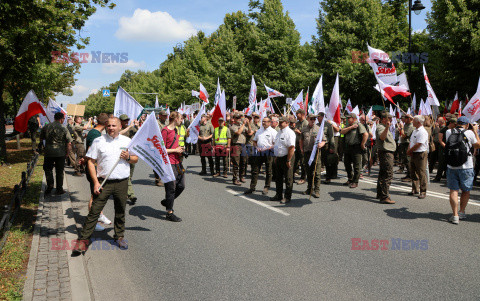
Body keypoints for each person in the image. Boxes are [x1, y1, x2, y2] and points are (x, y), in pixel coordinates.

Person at [73, 117, 138, 254]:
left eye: (114, 125)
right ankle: (83, 241)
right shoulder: (98, 141)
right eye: (109, 125)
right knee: (94, 211)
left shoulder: (127, 142)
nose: (111, 128)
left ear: (120, 127)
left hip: (122, 182)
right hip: (104, 182)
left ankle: (119, 236)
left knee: (120, 210)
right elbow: (90, 162)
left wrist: (128, 157)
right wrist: (96, 182)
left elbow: (135, 159)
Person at [445, 116, 480, 224]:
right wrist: (475, 132)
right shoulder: (469, 133)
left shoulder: (448, 131)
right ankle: (462, 211)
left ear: (457, 123)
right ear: (467, 124)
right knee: (466, 190)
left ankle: (455, 215)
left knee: (453, 190)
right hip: (466, 166)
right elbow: (477, 145)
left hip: (452, 166)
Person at [83, 113, 111, 230]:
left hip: (93, 167)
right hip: (93, 168)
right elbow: (91, 151)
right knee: (95, 196)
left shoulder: (94, 132)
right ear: (105, 124)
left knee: (96, 195)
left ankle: (99, 216)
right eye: (109, 124)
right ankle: (93, 222)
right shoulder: (95, 134)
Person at [160, 112, 185, 222]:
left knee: (181, 185)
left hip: (177, 162)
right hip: (168, 163)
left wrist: (180, 150)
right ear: (175, 119)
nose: (182, 120)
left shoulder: (176, 130)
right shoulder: (165, 131)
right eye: (180, 118)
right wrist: (175, 150)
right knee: (171, 188)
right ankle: (169, 212)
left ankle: (167, 201)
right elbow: (161, 150)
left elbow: (174, 145)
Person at [40, 112, 72, 195]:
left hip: (48, 152)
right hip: (60, 153)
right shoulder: (64, 128)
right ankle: (59, 189)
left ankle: (50, 184)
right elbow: (69, 143)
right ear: (61, 119)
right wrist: (67, 153)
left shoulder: (47, 127)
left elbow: (41, 138)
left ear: (54, 118)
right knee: (59, 171)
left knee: (48, 169)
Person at [244, 116, 277, 195]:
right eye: (263, 121)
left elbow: (275, 144)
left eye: (265, 121)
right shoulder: (259, 131)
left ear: (269, 123)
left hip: (269, 152)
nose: (263, 123)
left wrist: (267, 148)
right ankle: (252, 187)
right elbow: (254, 141)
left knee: (268, 171)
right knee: (255, 170)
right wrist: (256, 147)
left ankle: (266, 187)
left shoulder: (273, 132)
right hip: (259, 152)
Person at [271, 116, 296, 204]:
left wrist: (288, 160)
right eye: (279, 122)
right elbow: (278, 145)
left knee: (288, 178)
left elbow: (291, 147)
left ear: (287, 123)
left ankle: (287, 197)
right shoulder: (279, 132)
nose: (280, 123)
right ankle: (278, 195)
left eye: (282, 122)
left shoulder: (290, 133)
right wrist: (277, 156)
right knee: (278, 177)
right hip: (279, 157)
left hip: (287, 157)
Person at [300, 114, 326, 198]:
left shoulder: (319, 129)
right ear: (308, 119)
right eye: (311, 119)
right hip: (307, 153)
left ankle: (316, 190)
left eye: (314, 119)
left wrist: (321, 145)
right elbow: (301, 140)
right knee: (308, 172)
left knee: (316, 173)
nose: (313, 120)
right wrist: (301, 149)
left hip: (316, 153)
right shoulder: (304, 129)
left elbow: (324, 140)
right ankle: (309, 189)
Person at [341, 113, 368, 188]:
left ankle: (355, 181)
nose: (347, 119)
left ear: (354, 118)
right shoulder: (349, 125)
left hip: (356, 147)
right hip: (348, 147)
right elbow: (342, 132)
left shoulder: (359, 125)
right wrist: (351, 127)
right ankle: (350, 178)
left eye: (349, 118)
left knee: (357, 166)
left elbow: (365, 134)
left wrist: (363, 144)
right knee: (347, 164)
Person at [375, 112, 396, 204]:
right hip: (386, 153)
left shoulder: (384, 127)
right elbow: (382, 138)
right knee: (388, 174)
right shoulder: (381, 127)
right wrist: (387, 127)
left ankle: (380, 193)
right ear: (384, 119)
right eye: (389, 118)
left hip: (387, 153)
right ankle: (384, 196)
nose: (391, 120)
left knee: (383, 174)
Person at [407, 115, 429, 199]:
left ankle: (423, 191)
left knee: (421, 173)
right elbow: (411, 142)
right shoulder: (415, 131)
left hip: (420, 153)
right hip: (414, 153)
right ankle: (415, 189)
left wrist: (410, 150)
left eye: (414, 120)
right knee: (413, 171)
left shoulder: (422, 131)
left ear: (418, 122)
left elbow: (419, 144)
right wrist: (409, 150)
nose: (412, 122)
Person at [119, 114, 139, 204]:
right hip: (122, 154)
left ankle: (125, 191)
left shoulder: (131, 128)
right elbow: (119, 134)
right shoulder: (118, 128)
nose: (126, 122)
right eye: (124, 120)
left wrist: (137, 127)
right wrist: (130, 126)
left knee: (129, 176)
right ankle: (131, 195)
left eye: (127, 120)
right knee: (126, 175)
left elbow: (139, 134)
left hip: (131, 153)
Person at [229, 113, 251, 185]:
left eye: (240, 118)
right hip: (236, 145)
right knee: (236, 163)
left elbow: (249, 132)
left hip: (243, 145)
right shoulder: (233, 126)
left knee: (243, 162)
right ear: (234, 119)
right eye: (237, 118)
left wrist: (248, 124)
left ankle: (241, 176)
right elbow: (238, 133)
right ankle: (235, 179)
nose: (239, 119)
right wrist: (243, 124)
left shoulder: (243, 126)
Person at [434, 117, 456, 181]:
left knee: (448, 163)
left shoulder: (454, 130)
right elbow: (440, 140)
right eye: (454, 124)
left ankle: (446, 175)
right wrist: (446, 147)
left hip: (450, 149)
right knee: (441, 163)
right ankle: (438, 177)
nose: (455, 126)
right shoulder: (444, 129)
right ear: (451, 123)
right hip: (443, 148)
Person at [154, 110, 169, 186]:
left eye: (166, 115)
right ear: (160, 116)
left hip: (166, 144)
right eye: (163, 115)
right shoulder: (156, 122)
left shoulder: (167, 122)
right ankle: (157, 179)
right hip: (158, 144)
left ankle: (164, 177)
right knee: (158, 162)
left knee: (165, 161)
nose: (165, 117)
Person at [398, 114, 414, 182]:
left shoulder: (410, 126)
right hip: (404, 143)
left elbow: (404, 135)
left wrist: (401, 129)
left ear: (409, 119)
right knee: (405, 159)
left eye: (405, 118)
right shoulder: (406, 125)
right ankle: (408, 174)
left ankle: (410, 176)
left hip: (407, 144)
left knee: (408, 160)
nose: (404, 119)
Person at [293, 109, 308, 184]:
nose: (296, 116)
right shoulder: (297, 122)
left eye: (297, 114)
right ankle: (291, 177)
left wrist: (299, 132)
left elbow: (307, 134)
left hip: (303, 145)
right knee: (294, 161)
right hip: (296, 144)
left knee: (302, 162)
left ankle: (303, 178)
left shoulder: (306, 123)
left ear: (302, 114)